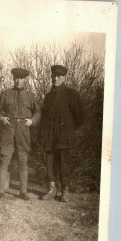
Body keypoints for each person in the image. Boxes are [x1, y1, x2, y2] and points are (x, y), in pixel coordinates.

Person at [0, 67, 40, 201]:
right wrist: (1, 118)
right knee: (4, 159)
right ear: (13, 79)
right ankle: (0, 191)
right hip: (8, 129)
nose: (18, 81)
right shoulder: (5, 94)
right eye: (16, 78)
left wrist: (33, 120)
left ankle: (23, 192)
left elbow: (38, 112)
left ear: (26, 79)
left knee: (23, 160)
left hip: (24, 130)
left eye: (21, 78)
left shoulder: (31, 95)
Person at [39, 65, 84, 202]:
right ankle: (51, 189)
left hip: (64, 134)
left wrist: (69, 130)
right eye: (54, 76)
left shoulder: (72, 94)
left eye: (59, 76)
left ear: (64, 77)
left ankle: (65, 191)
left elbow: (80, 117)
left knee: (64, 163)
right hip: (49, 134)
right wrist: (43, 133)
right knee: (49, 161)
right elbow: (44, 117)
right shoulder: (48, 96)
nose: (55, 78)